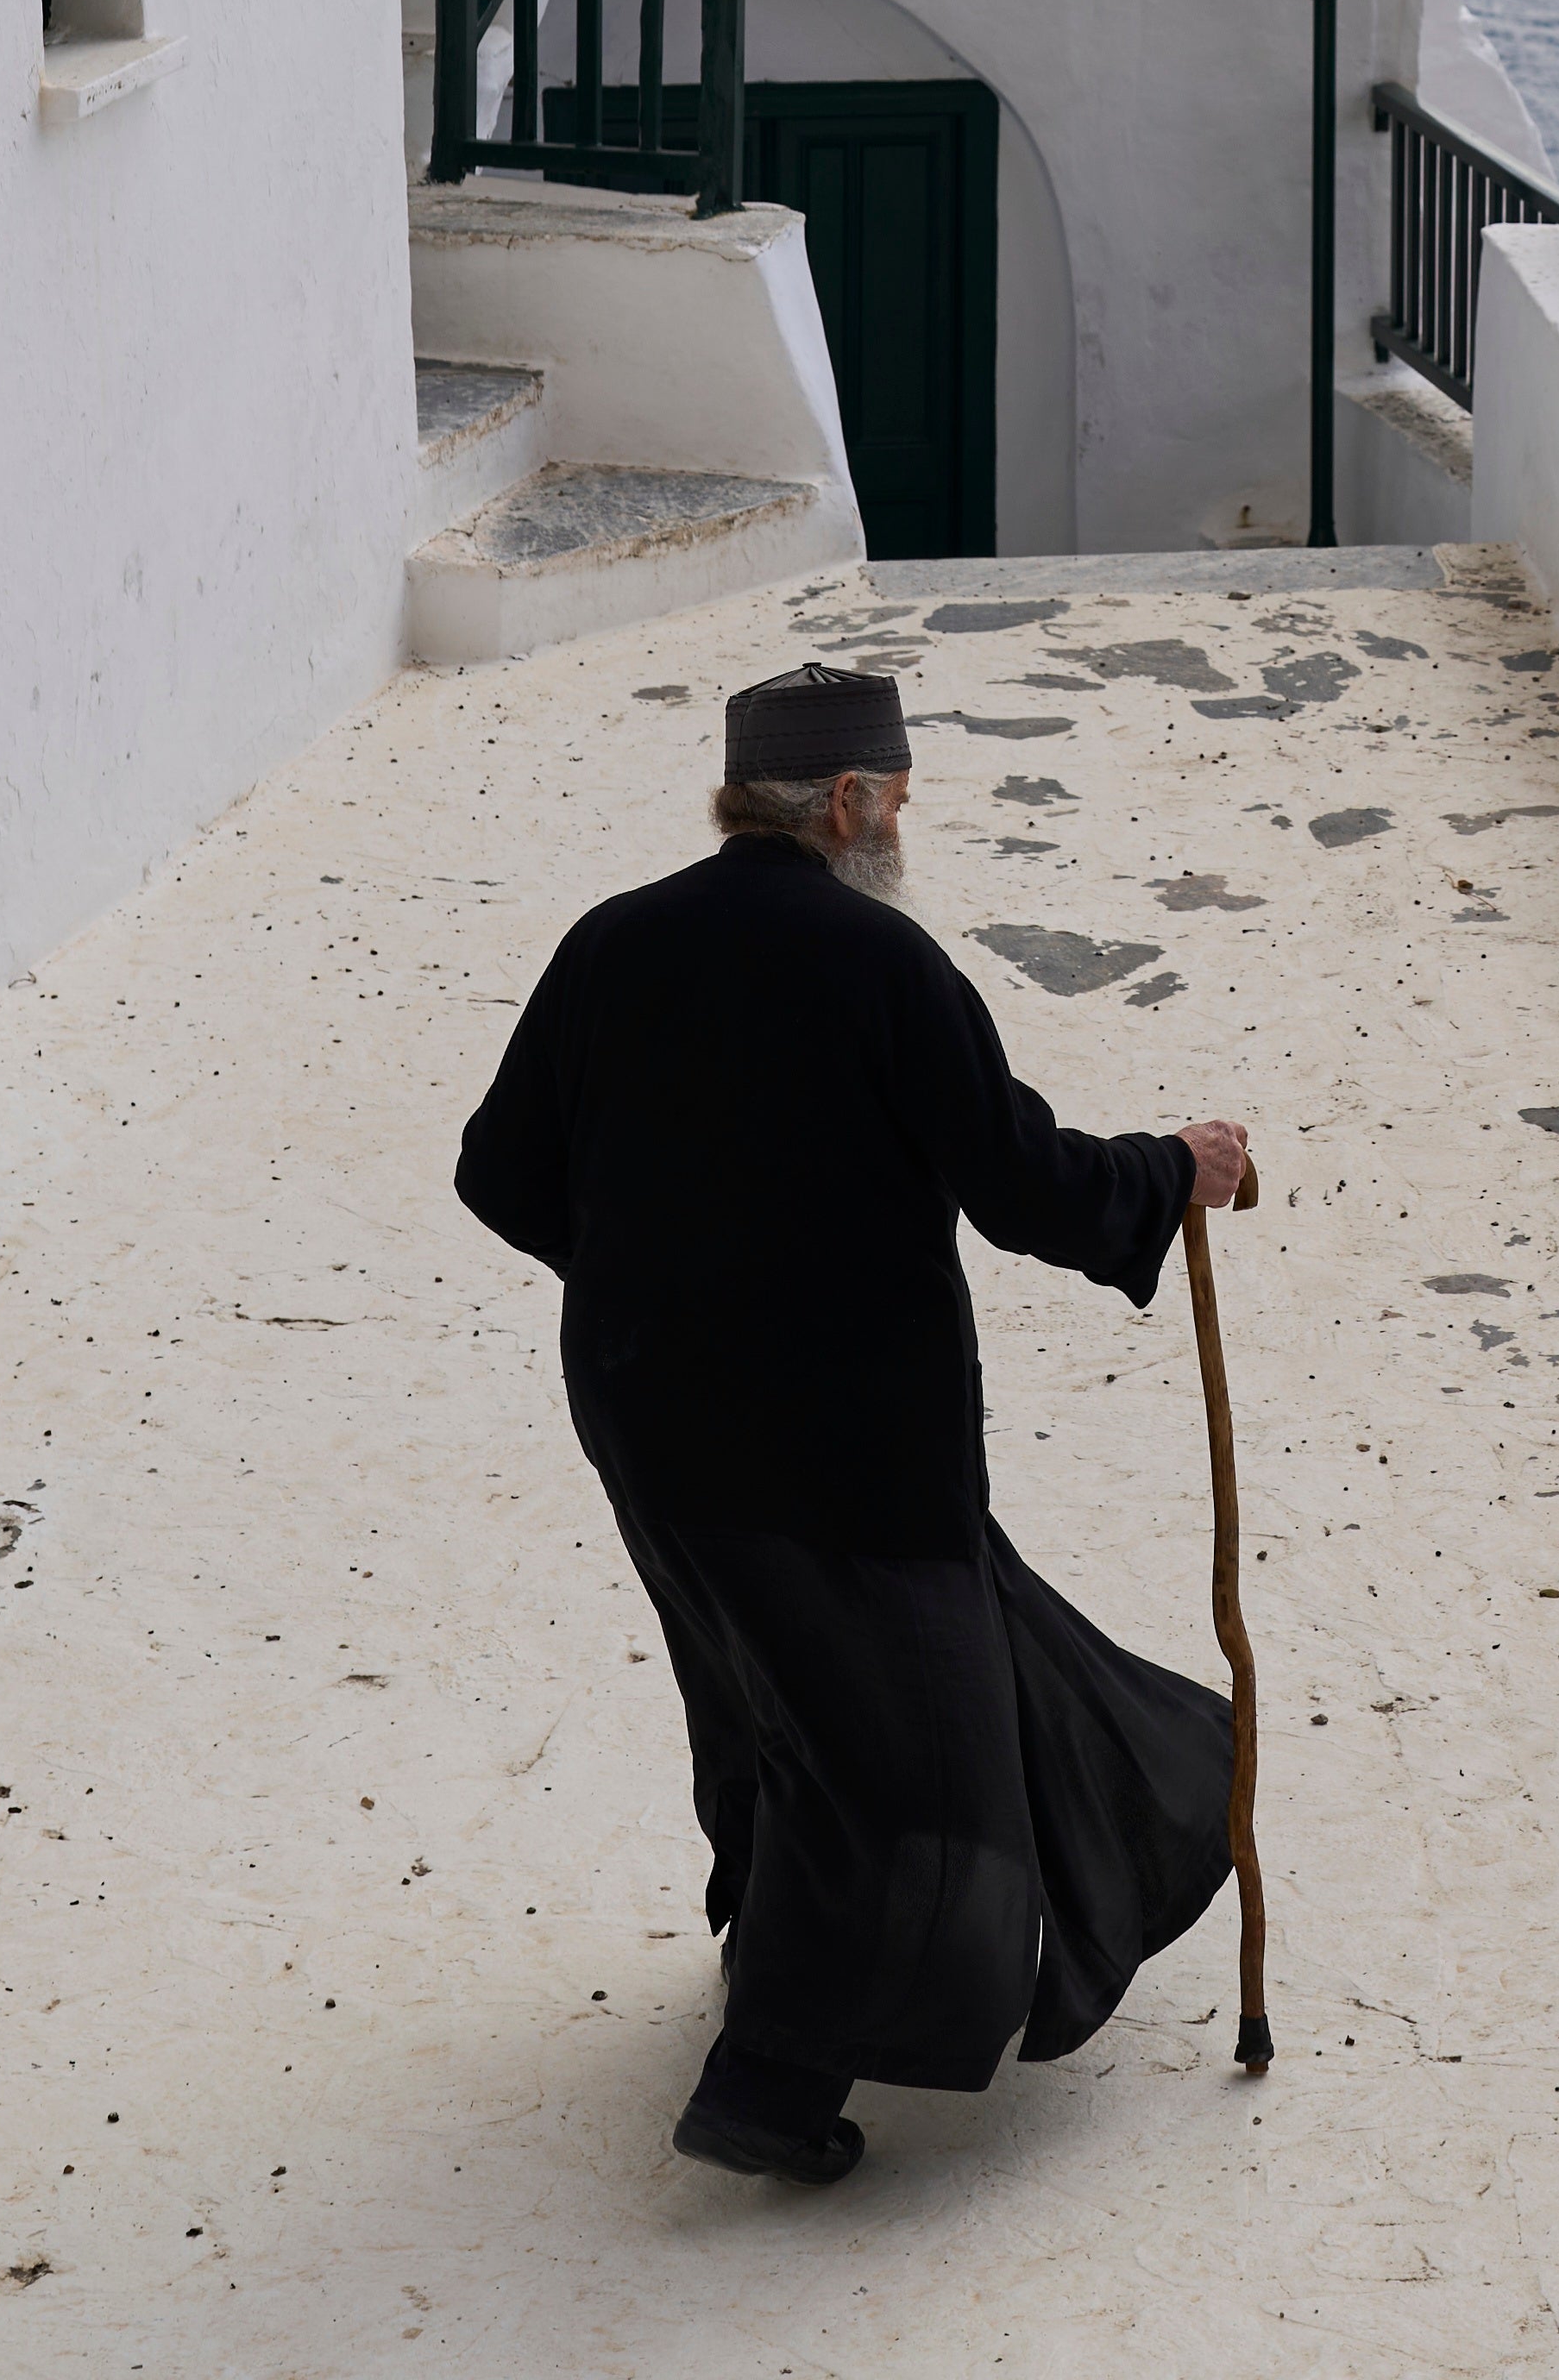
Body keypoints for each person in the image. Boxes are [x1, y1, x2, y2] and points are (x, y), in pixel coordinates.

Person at [453, 656, 1262, 2185]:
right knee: (903, 1755)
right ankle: (772, 2076)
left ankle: (779, 1948)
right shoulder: (885, 966)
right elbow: (1026, 1188)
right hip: (848, 1453)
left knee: (767, 1688)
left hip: (652, 1419)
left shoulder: (614, 944)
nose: (901, 820)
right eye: (894, 794)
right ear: (844, 801)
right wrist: (1176, 1167)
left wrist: (657, 1284)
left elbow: (499, 1173)